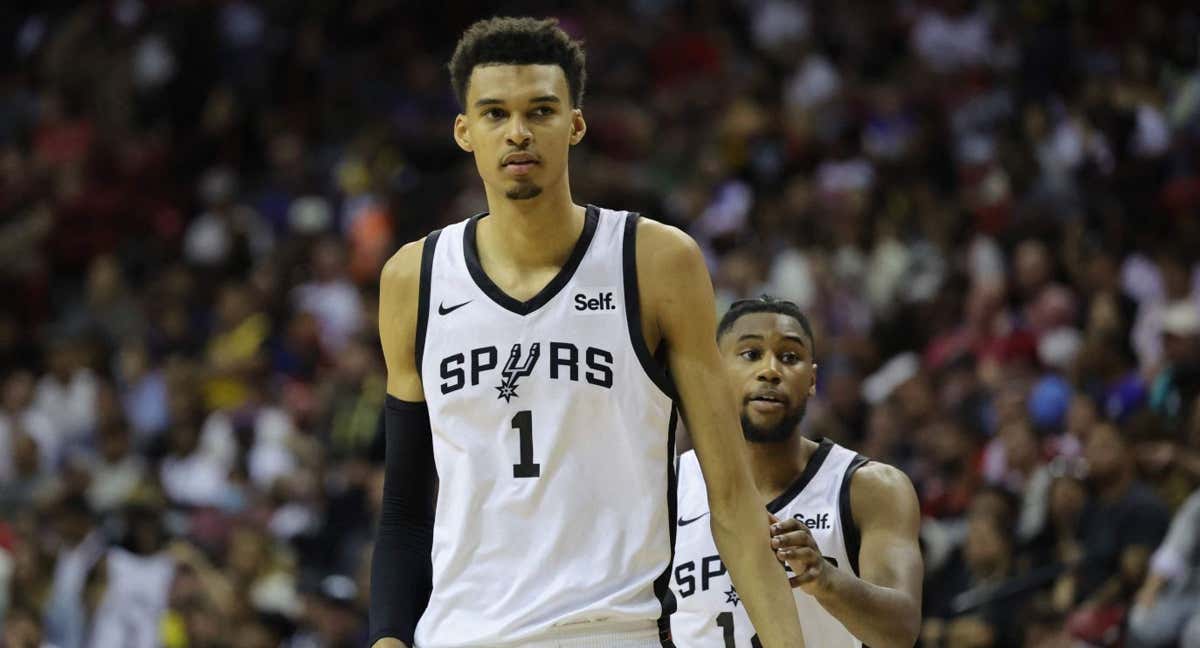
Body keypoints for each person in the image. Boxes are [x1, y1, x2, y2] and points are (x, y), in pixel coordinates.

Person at [369, 17, 804, 648]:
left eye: (540, 110)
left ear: (575, 123)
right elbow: (406, 512)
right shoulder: (414, 278)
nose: (518, 132)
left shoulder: (654, 261)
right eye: (494, 114)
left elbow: (733, 500)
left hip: (613, 631)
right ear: (464, 132)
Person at [670, 297, 922, 647]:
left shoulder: (870, 488)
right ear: (716, 372)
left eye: (789, 357)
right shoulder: (667, 486)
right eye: (750, 354)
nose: (771, 370)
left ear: (813, 380)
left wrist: (827, 580)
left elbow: (901, 631)